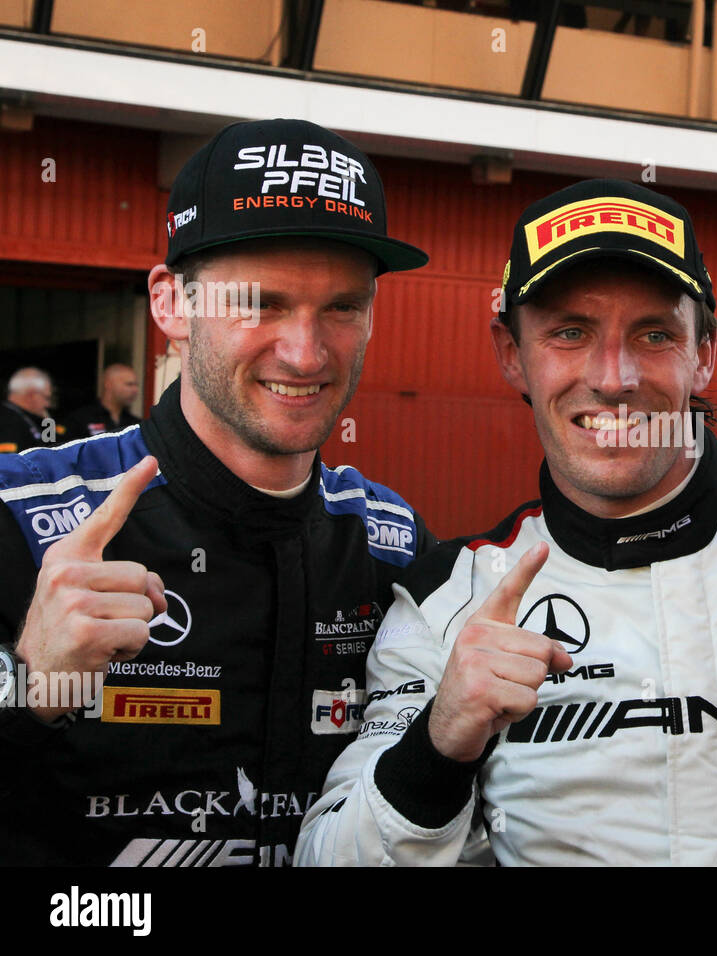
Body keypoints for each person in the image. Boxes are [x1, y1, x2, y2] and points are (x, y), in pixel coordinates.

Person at [296, 179, 717, 867]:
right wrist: (438, 744)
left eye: (655, 333)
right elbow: (329, 858)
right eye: (570, 333)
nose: (613, 377)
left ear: (706, 353)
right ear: (513, 354)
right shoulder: (446, 602)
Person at [0, 118, 434, 866]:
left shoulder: (390, 538)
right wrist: (29, 690)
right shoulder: (23, 513)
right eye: (259, 302)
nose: (305, 352)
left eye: (342, 306)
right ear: (171, 304)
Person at [63, 363, 142, 440]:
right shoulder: (80, 419)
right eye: (129, 384)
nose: (135, 390)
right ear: (108, 384)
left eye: (136, 385)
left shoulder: (135, 424)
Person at [0, 367, 63, 452]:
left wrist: (49, 422)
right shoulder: (9, 422)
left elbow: (52, 448)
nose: (48, 405)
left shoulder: (23, 417)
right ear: (32, 395)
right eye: (47, 398)